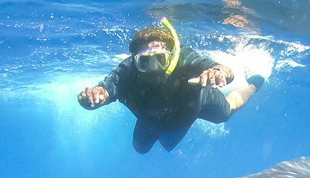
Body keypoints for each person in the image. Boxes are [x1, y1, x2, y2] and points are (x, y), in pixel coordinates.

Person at [77, 18, 265, 153]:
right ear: (135, 61)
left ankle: (255, 83)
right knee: (140, 149)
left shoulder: (185, 58)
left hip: (195, 104)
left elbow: (223, 70)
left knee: (226, 112)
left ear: (172, 56)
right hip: (152, 121)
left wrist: (219, 72)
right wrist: (93, 97)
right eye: (145, 62)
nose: (154, 69)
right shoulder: (127, 70)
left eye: (160, 59)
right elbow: (106, 89)